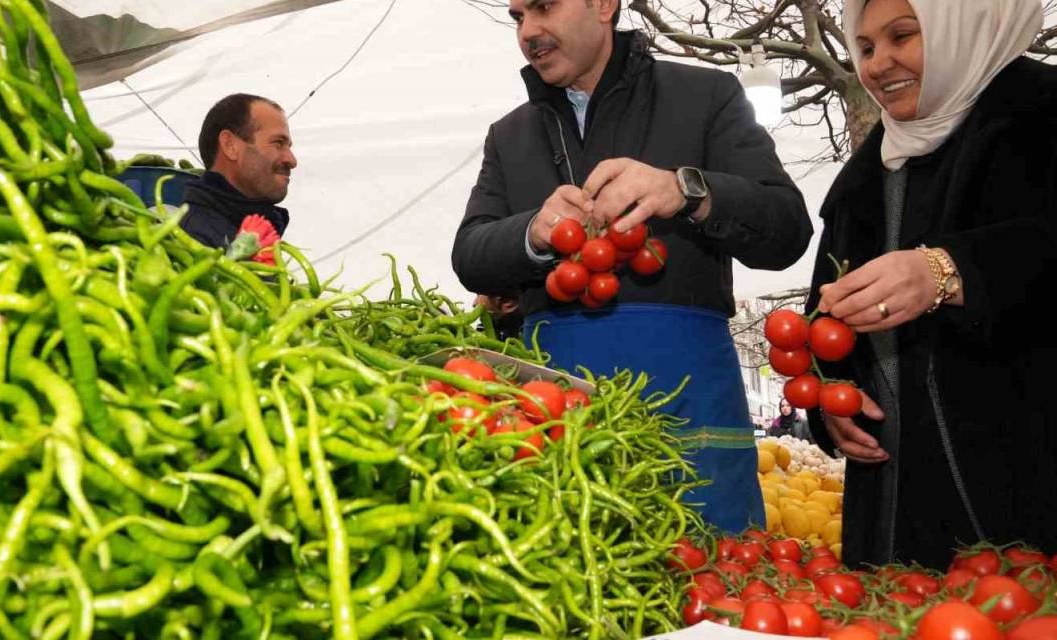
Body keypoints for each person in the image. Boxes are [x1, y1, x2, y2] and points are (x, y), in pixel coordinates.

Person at [450, 0, 813, 533]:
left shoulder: (706, 96)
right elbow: (469, 254)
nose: (529, 31)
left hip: (691, 407)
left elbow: (786, 230)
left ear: (603, 6)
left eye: (544, 8)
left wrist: (687, 190)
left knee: (712, 576)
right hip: (555, 414)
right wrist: (532, 230)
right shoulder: (509, 136)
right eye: (518, 16)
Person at [806, 0, 1057, 568]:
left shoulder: (1041, 114)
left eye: (902, 36)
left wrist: (951, 269)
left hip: (1021, 475)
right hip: (892, 488)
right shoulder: (871, 166)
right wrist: (833, 400)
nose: (877, 64)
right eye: (866, 47)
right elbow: (823, 312)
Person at [179, 94, 297, 249]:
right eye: (278, 143)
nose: (292, 160)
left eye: (289, 146)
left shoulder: (249, 234)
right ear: (230, 146)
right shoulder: (192, 241)